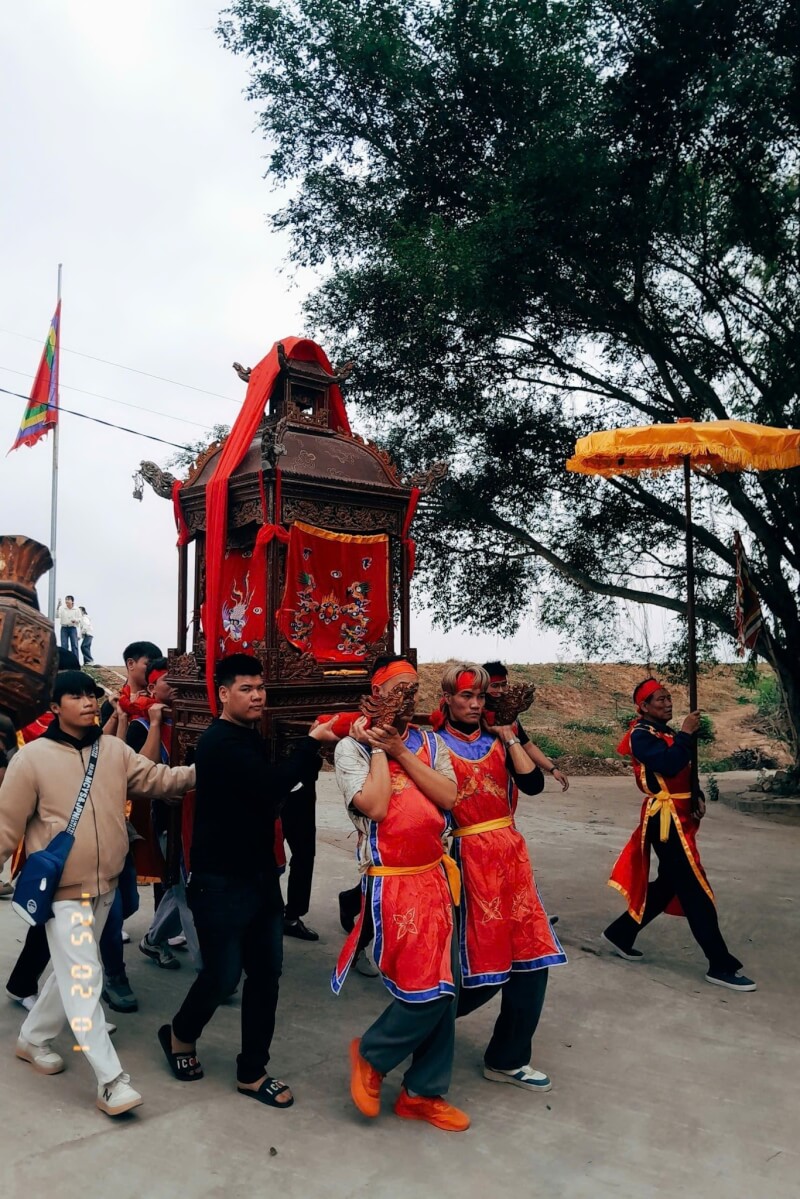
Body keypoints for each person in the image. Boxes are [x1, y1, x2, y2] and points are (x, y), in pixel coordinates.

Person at [0, 670, 195, 1117]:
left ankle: (32, 1038)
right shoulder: (31, 760)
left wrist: (205, 772)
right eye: (76, 696)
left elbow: (157, 779)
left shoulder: (112, 750)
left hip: (107, 884)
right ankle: (111, 1081)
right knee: (86, 976)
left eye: (92, 694)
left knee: (69, 973)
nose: (89, 702)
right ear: (55, 707)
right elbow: (5, 827)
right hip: (61, 892)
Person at [162, 653, 338, 1108]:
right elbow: (271, 786)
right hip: (220, 880)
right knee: (222, 976)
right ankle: (180, 1034)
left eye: (261, 688)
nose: (258, 696)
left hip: (260, 876)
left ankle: (252, 1072)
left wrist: (307, 755)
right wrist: (310, 743)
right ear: (223, 693)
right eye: (247, 688)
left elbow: (279, 789)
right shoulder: (219, 742)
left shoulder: (250, 737)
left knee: (266, 974)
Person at [333, 656, 470, 1132]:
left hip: (435, 876)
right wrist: (379, 748)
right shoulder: (350, 748)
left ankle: (422, 1092)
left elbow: (449, 798)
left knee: (446, 988)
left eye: (414, 689)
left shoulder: (430, 743)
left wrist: (401, 750)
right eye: (398, 690)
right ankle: (373, 1054)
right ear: (376, 695)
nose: (409, 699)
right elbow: (374, 806)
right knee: (426, 990)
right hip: (391, 880)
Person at [434, 663, 567, 1094]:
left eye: (481, 697)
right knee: (481, 963)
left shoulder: (498, 740)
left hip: (511, 856)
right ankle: (410, 1026)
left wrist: (509, 734)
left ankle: (507, 1058)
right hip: (466, 859)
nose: (475, 704)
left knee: (533, 957)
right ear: (448, 699)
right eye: (466, 696)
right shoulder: (431, 745)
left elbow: (532, 785)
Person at [602, 678, 756, 991]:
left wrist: (696, 793)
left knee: (668, 886)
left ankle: (621, 932)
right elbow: (669, 765)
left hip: (681, 817)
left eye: (669, 698)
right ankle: (719, 964)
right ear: (644, 706)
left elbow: (686, 770)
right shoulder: (641, 735)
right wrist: (686, 734)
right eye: (660, 699)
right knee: (694, 888)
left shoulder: (667, 733)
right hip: (665, 821)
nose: (667, 703)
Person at [127, 659, 200, 969]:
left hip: (199, 815)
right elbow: (139, 775)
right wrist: (156, 724)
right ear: (152, 687)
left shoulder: (196, 717)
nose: (178, 684)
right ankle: (209, 967)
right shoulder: (140, 726)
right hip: (166, 818)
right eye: (170, 679)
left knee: (184, 886)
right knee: (187, 889)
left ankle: (154, 939)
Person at [482, 661, 570, 791]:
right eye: (494, 686)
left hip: (504, 785)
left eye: (504, 685)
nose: (500, 691)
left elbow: (527, 746)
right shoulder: (475, 716)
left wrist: (553, 769)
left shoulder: (511, 719)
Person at [282, 751, 323, 941]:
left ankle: (292, 917)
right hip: (263, 784)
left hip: (300, 789)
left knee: (304, 854)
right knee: (261, 855)